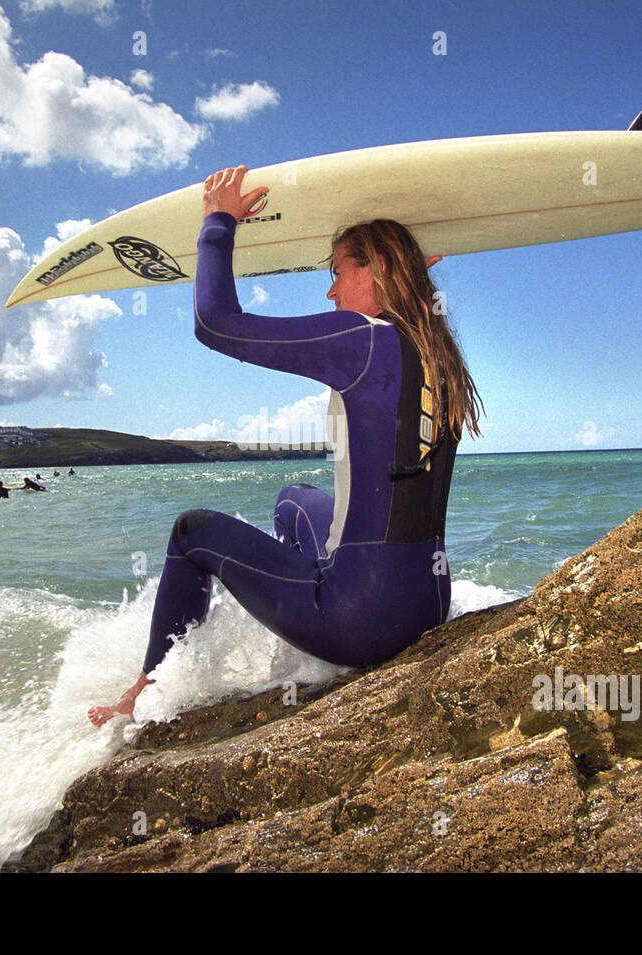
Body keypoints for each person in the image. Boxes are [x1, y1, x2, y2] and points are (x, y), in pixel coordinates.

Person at [90, 165, 482, 726]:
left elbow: (216, 322)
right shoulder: (437, 349)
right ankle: (296, 630)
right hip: (426, 604)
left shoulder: (361, 343)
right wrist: (407, 281)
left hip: (360, 622)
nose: (330, 289)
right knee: (292, 499)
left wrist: (218, 222)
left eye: (340, 272)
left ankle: (143, 691)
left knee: (191, 531)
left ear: (381, 270)